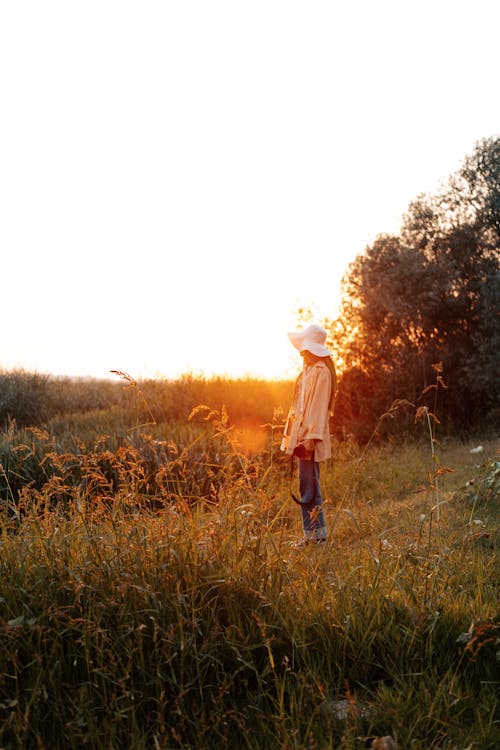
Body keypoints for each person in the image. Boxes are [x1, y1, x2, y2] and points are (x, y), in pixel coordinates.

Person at [281, 324, 337, 544]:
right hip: (303, 436)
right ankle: (313, 536)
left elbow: (317, 409)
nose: (301, 353)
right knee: (307, 484)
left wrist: (310, 439)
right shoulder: (310, 371)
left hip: (309, 439)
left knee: (310, 487)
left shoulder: (322, 373)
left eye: (303, 348)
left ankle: (317, 538)